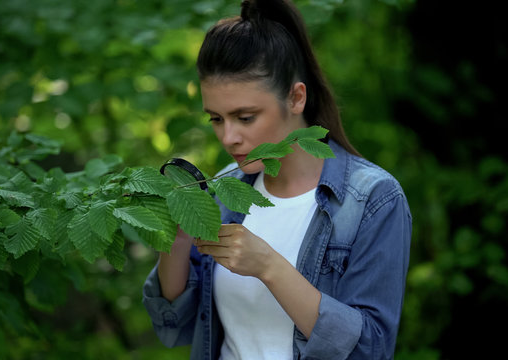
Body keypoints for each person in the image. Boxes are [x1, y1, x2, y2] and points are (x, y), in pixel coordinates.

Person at [143, 0, 412, 359]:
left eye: (246, 117)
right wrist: (174, 239)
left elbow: (371, 349)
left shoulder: (373, 199)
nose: (228, 138)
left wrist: (269, 266)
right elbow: (175, 325)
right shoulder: (225, 187)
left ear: (296, 98)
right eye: (217, 119)